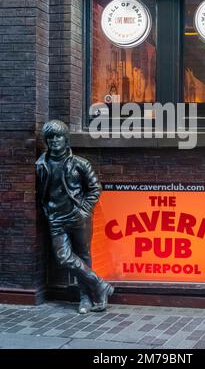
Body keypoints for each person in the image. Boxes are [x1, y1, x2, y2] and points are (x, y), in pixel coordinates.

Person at [36, 119, 114, 314]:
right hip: (56, 218)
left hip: (78, 216)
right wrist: (47, 211)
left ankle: (87, 298)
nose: (54, 140)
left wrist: (84, 210)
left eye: (58, 136)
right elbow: (40, 193)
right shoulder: (41, 164)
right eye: (50, 137)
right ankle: (100, 284)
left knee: (84, 256)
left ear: (66, 139)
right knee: (63, 257)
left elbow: (95, 188)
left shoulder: (80, 163)